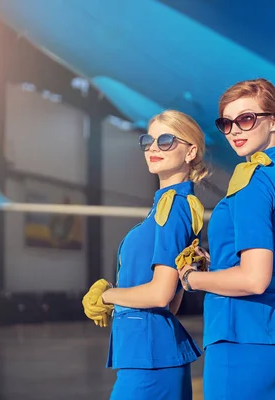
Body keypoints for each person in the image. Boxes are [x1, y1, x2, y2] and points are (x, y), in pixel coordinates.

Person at [177, 78, 275, 399]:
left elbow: (254, 279)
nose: (235, 130)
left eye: (246, 119)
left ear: (274, 121)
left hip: (241, 341)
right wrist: (223, 267)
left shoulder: (253, 181)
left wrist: (193, 279)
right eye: (227, 123)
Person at [81, 109, 207, 399]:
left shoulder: (173, 208)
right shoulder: (165, 208)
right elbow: (172, 303)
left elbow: (161, 295)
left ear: (190, 152)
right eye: (147, 141)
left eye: (165, 140)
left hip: (150, 360)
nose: (153, 147)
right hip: (147, 354)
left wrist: (107, 296)